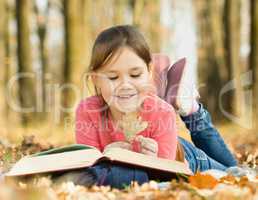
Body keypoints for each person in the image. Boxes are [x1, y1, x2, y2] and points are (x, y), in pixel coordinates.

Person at [54, 25, 238, 189]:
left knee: (235, 172)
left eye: (135, 75)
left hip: (182, 156)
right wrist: (109, 154)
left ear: (149, 72)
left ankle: (190, 109)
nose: (125, 84)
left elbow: (166, 174)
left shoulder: (162, 112)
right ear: (95, 79)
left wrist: (153, 159)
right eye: (112, 77)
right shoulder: (87, 111)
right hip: (158, 139)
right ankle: (167, 91)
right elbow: (88, 164)